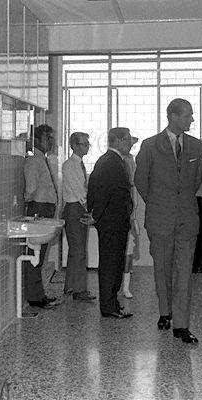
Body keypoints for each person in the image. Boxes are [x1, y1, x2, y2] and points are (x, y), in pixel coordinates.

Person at [134, 99, 202, 343]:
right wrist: (159, 203)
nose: (191, 120)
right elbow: (141, 181)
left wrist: (180, 201)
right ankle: (165, 311)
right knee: (162, 267)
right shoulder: (150, 146)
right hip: (160, 217)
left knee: (184, 271)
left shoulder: (197, 147)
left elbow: (196, 181)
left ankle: (181, 325)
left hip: (187, 217)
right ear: (173, 116)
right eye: (187, 116)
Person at [87, 127, 135, 319]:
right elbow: (102, 192)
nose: (130, 143)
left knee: (115, 262)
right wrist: (95, 215)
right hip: (111, 221)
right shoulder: (110, 162)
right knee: (110, 263)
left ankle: (113, 302)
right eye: (127, 140)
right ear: (116, 140)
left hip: (115, 220)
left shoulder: (113, 161)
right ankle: (108, 306)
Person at [23, 124, 60, 309]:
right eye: (47, 138)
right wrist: (29, 203)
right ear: (36, 140)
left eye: (51, 138)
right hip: (38, 208)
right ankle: (34, 296)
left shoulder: (42, 159)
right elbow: (30, 188)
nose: (50, 141)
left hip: (45, 208)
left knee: (41, 253)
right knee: (35, 254)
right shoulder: (34, 161)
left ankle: (39, 293)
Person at [61, 131, 96, 302]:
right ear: (74, 146)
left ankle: (70, 285)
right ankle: (79, 289)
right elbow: (79, 190)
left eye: (87, 144)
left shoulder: (80, 164)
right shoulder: (70, 165)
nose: (86, 147)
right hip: (75, 208)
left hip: (79, 207)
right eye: (83, 144)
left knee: (76, 250)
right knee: (79, 250)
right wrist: (89, 208)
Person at [120, 137, 140, 298]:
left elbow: (133, 180)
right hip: (120, 211)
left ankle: (126, 287)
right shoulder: (116, 161)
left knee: (129, 249)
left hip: (130, 208)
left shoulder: (130, 159)